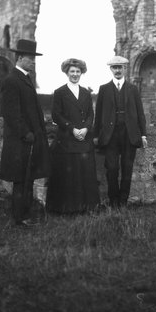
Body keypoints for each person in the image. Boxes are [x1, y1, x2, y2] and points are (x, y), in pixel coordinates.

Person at [0, 39, 50, 226]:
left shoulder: (25, 79)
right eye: (31, 59)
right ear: (20, 58)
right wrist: (26, 133)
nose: (33, 62)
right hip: (20, 141)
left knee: (27, 178)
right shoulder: (12, 80)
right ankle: (19, 218)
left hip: (29, 140)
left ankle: (25, 216)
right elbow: (11, 114)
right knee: (20, 180)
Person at [46, 58, 100, 215]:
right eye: (72, 71)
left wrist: (86, 128)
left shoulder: (85, 92)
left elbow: (91, 114)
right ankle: (67, 208)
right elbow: (56, 115)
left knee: (85, 173)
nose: (75, 74)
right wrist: (72, 129)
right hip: (67, 140)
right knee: (69, 174)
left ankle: (87, 206)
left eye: (78, 71)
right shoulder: (60, 92)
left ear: (81, 73)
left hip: (84, 138)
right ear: (67, 73)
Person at [93, 56, 147, 208]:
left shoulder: (133, 89)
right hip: (110, 135)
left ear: (125, 69)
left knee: (127, 168)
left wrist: (143, 135)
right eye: (114, 67)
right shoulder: (104, 89)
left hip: (129, 134)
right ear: (111, 69)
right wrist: (96, 135)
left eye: (120, 67)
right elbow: (98, 114)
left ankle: (123, 202)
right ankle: (113, 201)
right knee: (112, 169)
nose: (117, 70)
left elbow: (140, 113)